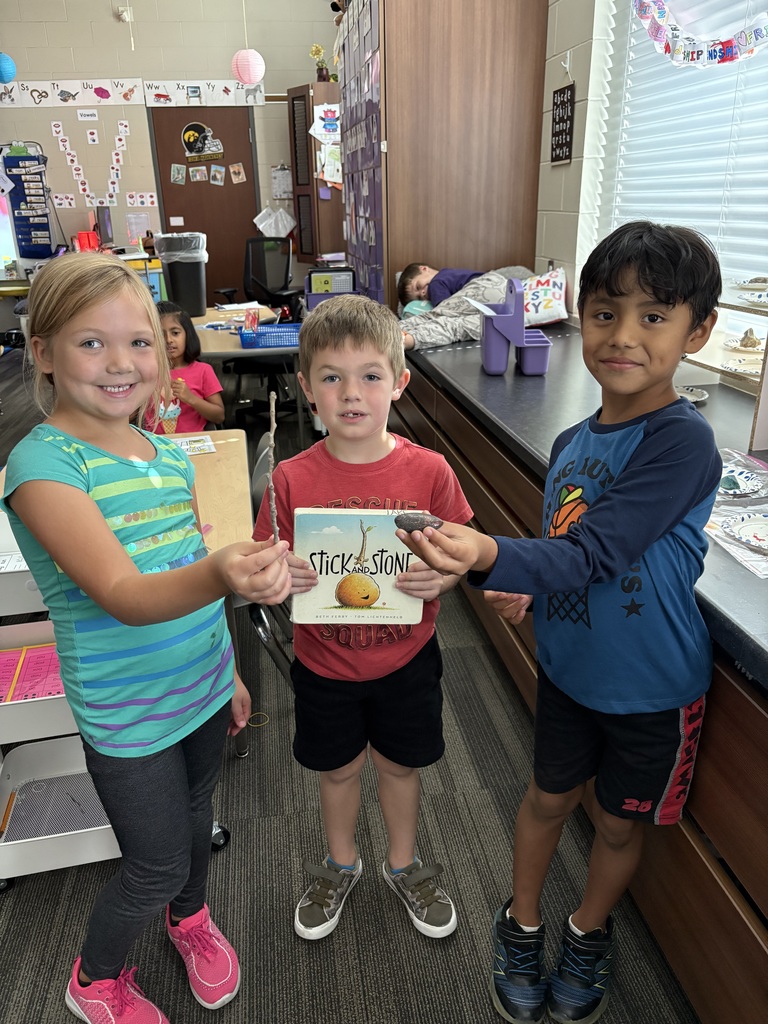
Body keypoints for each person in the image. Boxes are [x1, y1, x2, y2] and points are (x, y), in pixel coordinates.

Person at [396, 221, 722, 1024]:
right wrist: (532, 591)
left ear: (699, 330)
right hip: (570, 671)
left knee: (617, 824)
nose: (624, 335)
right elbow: (565, 549)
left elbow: (598, 553)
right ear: (579, 313)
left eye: (655, 316)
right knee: (546, 800)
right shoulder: (576, 442)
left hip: (652, 688)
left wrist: (483, 553)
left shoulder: (683, 443)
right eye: (607, 311)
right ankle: (524, 920)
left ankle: (587, 929)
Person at [2, 252, 291, 1024]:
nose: (122, 362)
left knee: (197, 813)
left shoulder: (166, 453)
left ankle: (190, 919)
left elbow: (187, 572)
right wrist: (228, 571)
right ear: (44, 354)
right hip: (127, 712)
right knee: (154, 860)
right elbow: (126, 595)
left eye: (139, 343)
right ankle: (95, 980)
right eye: (91, 343)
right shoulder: (42, 467)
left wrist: (227, 672)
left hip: (197, 685)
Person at [253, 294, 473, 942]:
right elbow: (267, 562)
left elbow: (462, 546)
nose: (352, 393)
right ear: (306, 388)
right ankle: (338, 862)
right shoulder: (291, 479)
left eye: (371, 375)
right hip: (324, 663)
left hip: (407, 658)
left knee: (401, 766)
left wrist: (448, 574)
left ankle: (402, 863)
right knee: (339, 769)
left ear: (399, 382)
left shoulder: (428, 470)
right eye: (331, 377)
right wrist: (279, 575)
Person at [146, 300, 225, 435]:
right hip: (155, 446)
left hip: (193, 444)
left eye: (175, 333)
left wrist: (190, 398)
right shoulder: (146, 371)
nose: (168, 340)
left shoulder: (203, 371)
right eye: (160, 334)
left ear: (188, 335)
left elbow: (219, 416)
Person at [397, 262, 482, 308]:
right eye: (419, 298)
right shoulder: (448, 273)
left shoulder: (435, 284)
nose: (422, 293)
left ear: (424, 269)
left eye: (418, 287)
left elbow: (443, 311)